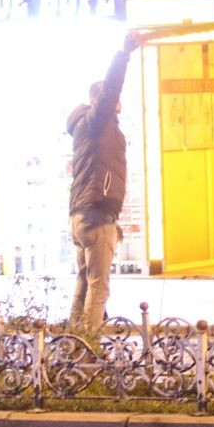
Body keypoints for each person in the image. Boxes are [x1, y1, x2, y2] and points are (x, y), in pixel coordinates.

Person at [66, 32, 142, 332]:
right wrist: (124, 54)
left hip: (86, 215)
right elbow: (111, 89)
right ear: (99, 100)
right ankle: (88, 352)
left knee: (84, 282)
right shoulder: (96, 121)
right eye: (112, 100)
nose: (118, 102)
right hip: (96, 218)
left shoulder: (90, 127)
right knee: (98, 289)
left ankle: (73, 342)